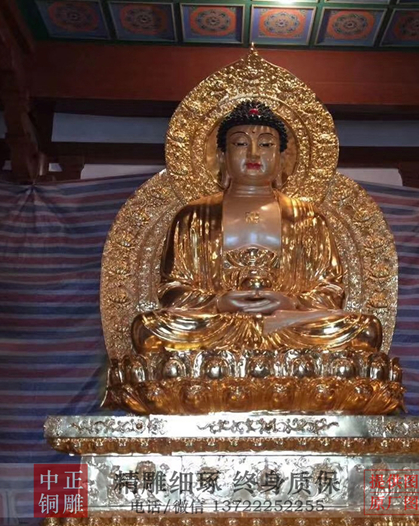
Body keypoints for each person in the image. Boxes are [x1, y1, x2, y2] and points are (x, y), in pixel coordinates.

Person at [131, 100, 382, 354]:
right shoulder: (193, 216)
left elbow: (331, 291)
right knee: (148, 329)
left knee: (366, 330)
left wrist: (291, 303)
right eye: (241, 144)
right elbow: (172, 291)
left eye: (266, 145)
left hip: (286, 324)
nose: (253, 154)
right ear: (222, 157)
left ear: (282, 159)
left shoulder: (309, 218)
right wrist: (219, 302)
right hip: (219, 325)